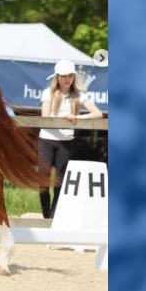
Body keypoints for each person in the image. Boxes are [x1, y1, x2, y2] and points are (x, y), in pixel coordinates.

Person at [38, 59, 104, 219]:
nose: (67, 79)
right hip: (47, 139)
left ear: (74, 77)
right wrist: (64, 118)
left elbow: (98, 113)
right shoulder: (48, 93)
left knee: (60, 181)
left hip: (66, 142)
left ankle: (53, 218)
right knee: (43, 181)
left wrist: (76, 117)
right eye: (63, 75)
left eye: (70, 75)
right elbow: (45, 117)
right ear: (57, 77)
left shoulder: (79, 95)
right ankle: (46, 216)